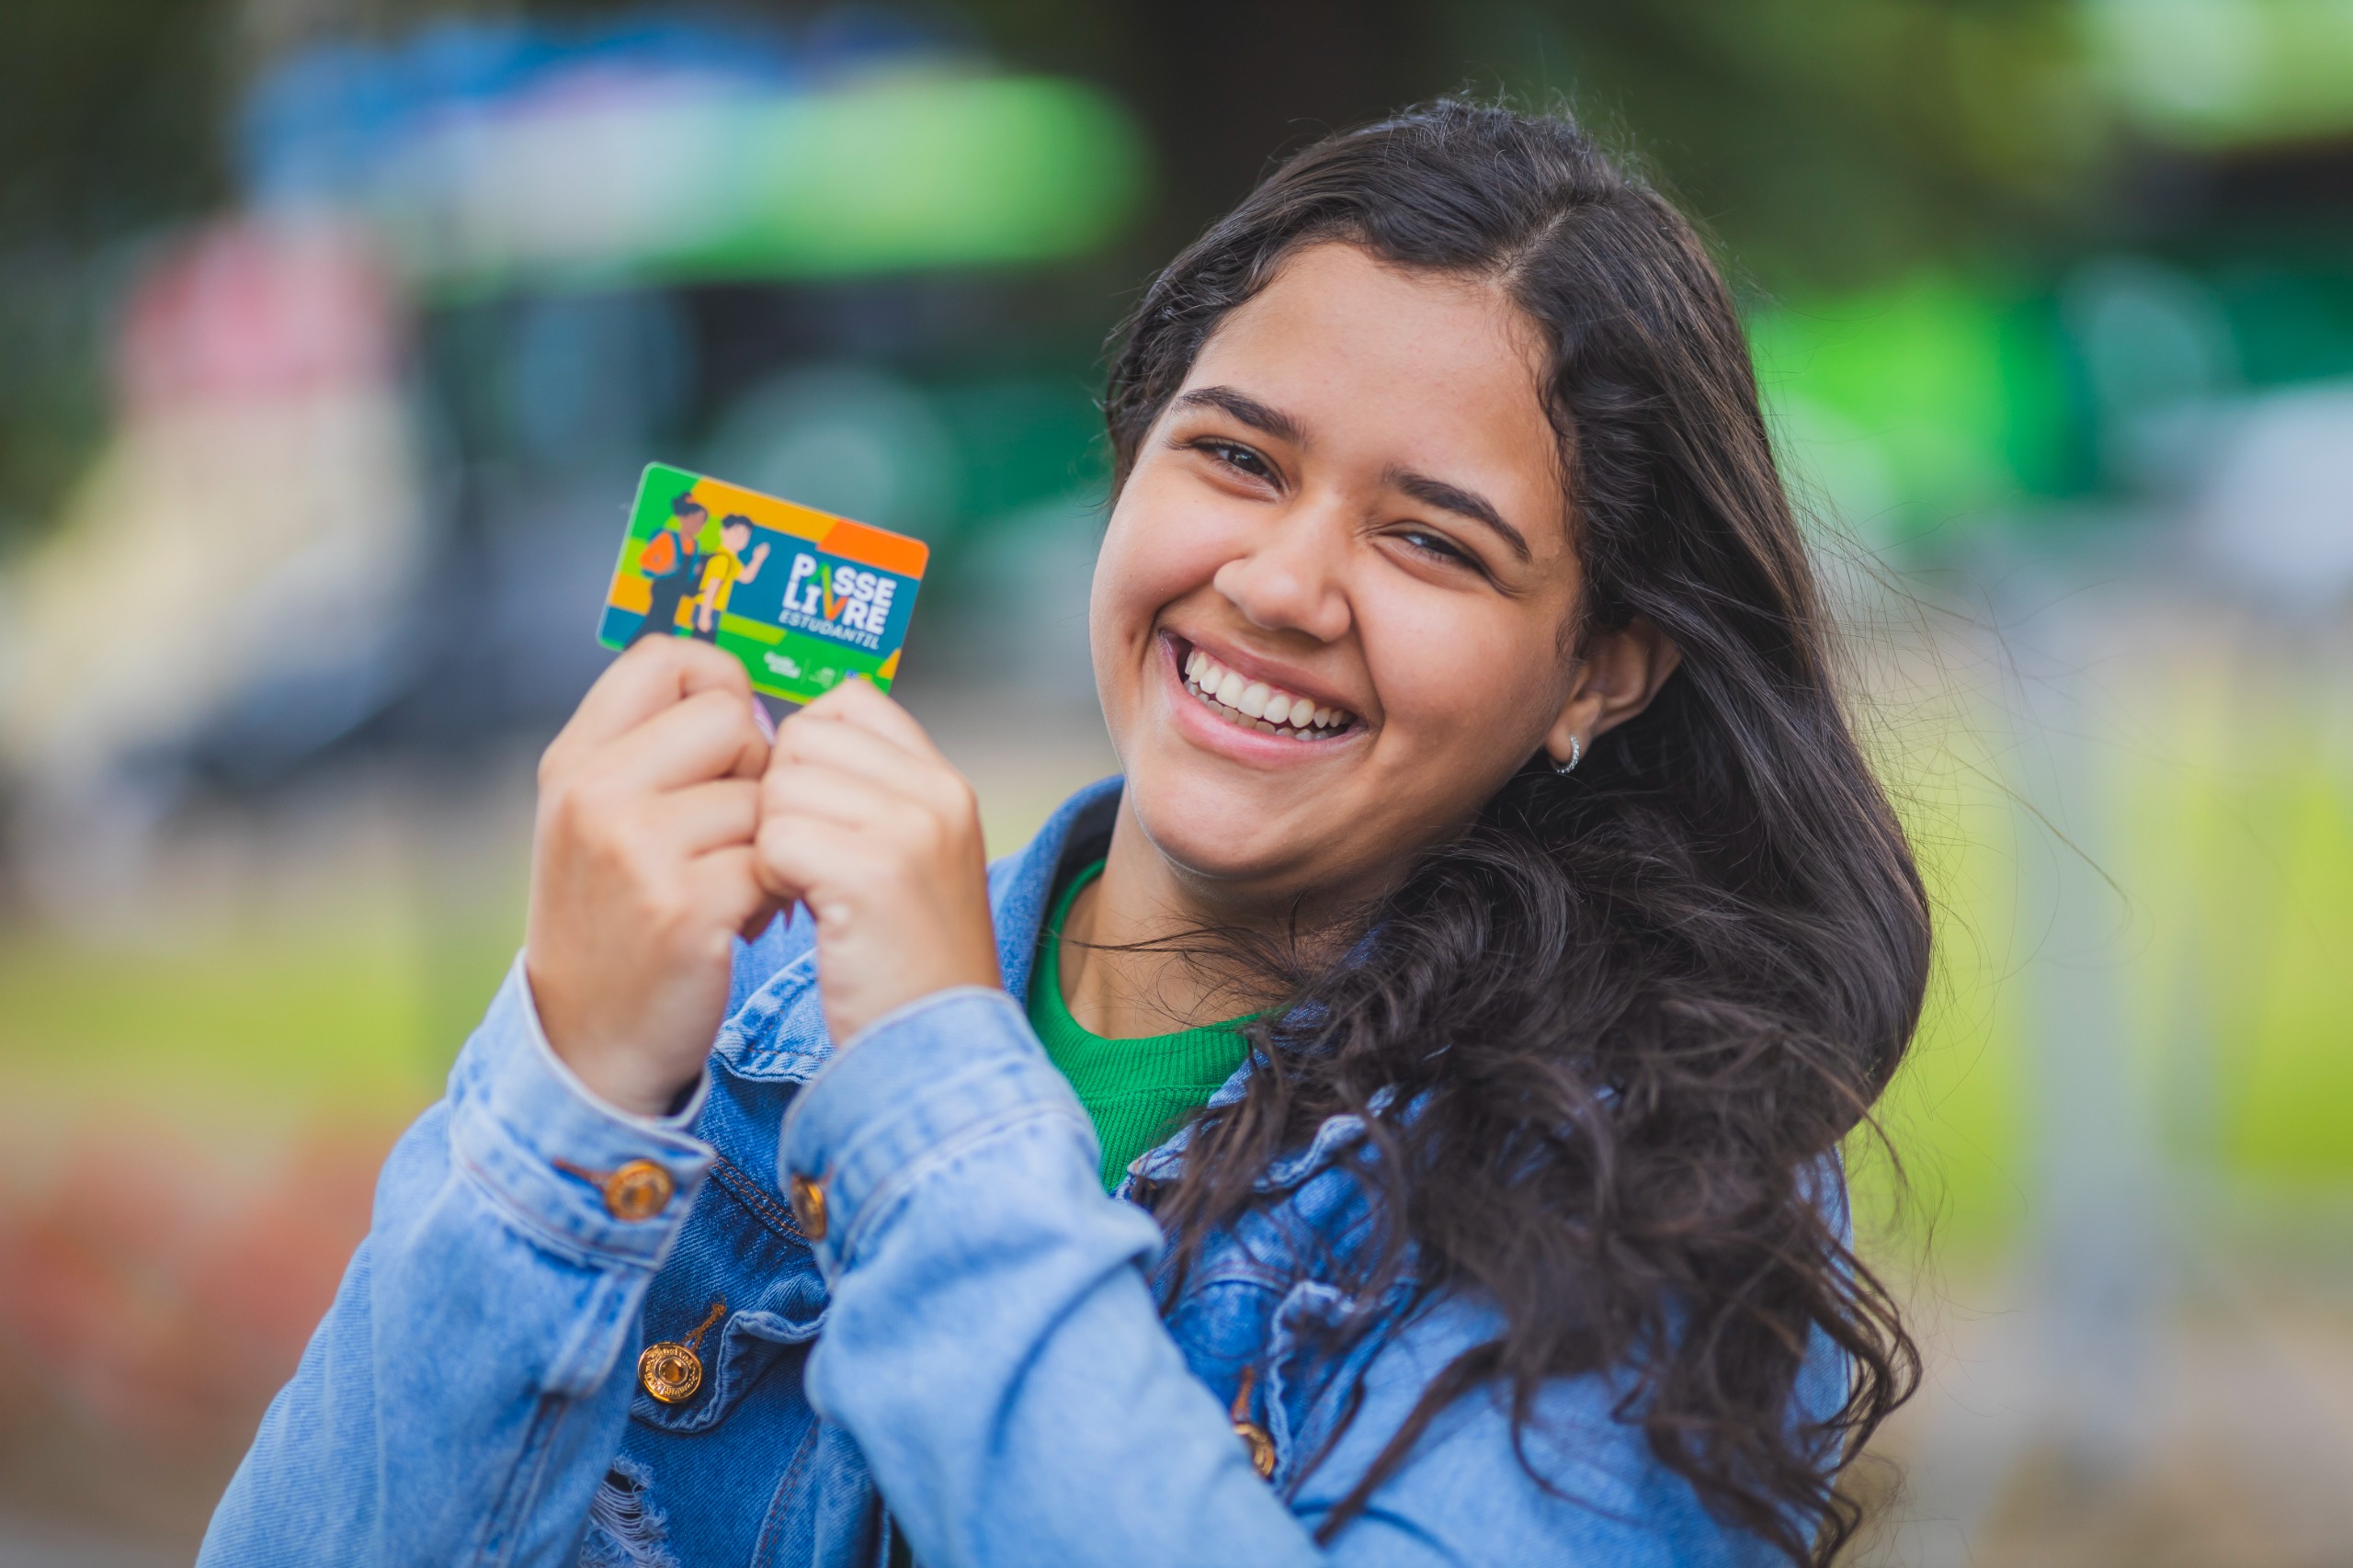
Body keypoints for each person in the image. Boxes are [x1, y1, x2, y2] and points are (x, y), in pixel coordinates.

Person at [200, 103, 1928, 1567]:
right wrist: (565, 1085)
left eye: (1432, 545)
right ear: (1131, 463)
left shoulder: (1658, 1184)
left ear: (1601, 672)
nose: (1277, 581)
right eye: (1237, 459)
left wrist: (940, 1093)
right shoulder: (736, 1015)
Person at [628, 494, 708, 644]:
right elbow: (645, 561)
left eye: (702, 521)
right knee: (657, 623)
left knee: (664, 623)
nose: (698, 524)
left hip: (678, 591)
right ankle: (635, 646)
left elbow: (689, 574)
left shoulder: (696, 545)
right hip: (664, 588)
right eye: (694, 519)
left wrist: (697, 572)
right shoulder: (667, 537)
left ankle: (643, 646)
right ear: (683, 518)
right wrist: (663, 568)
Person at [692, 514, 770, 641]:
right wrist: (704, 616)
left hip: (713, 609)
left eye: (745, 534)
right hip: (707, 608)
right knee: (700, 646)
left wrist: (758, 559)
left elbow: (745, 577)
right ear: (723, 532)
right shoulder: (722, 559)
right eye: (736, 531)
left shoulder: (731, 559)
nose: (740, 537)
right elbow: (712, 588)